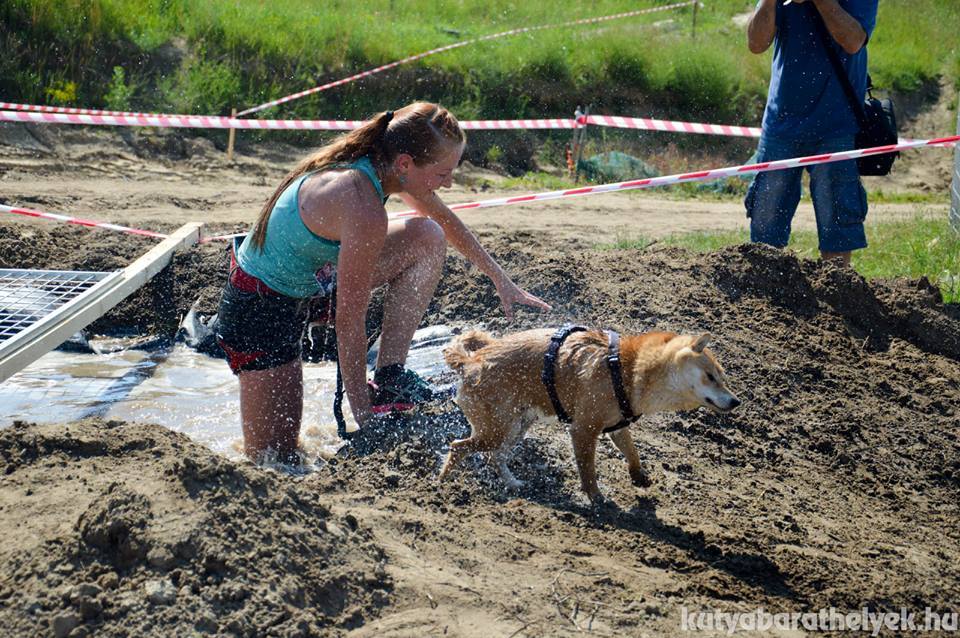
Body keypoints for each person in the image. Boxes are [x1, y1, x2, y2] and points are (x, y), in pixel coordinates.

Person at [216, 102, 551, 464]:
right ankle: (370, 403)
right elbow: (348, 321)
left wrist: (501, 279)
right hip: (260, 310)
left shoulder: (385, 166)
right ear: (405, 164)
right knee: (272, 458)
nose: (449, 183)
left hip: (310, 285)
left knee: (427, 235)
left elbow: (445, 221)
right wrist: (363, 416)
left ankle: (390, 375)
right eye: (442, 174)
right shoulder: (362, 204)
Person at [745, 0, 878, 267]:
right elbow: (756, 44)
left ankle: (838, 295)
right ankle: (763, 296)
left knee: (838, 228)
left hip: (837, 126)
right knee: (765, 226)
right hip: (781, 123)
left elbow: (853, 41)